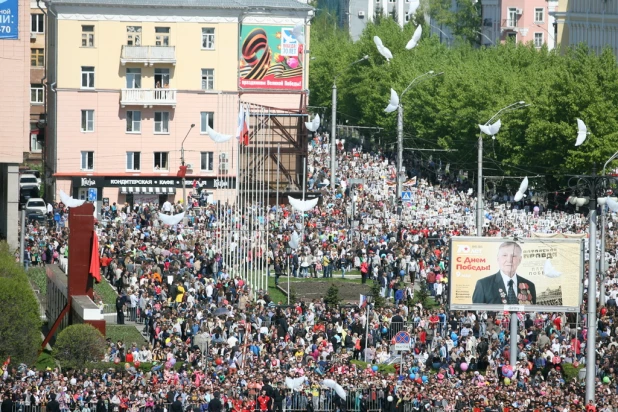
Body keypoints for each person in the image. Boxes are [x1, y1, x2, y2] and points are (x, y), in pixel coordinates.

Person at [472, 241, 536, 304]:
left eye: (513, 256)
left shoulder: (530, 286)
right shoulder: (483, 285)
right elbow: (476, 313)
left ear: (520, 260)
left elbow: (533, 312)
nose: (509, 260)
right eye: (504, 255)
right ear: (498, 259)